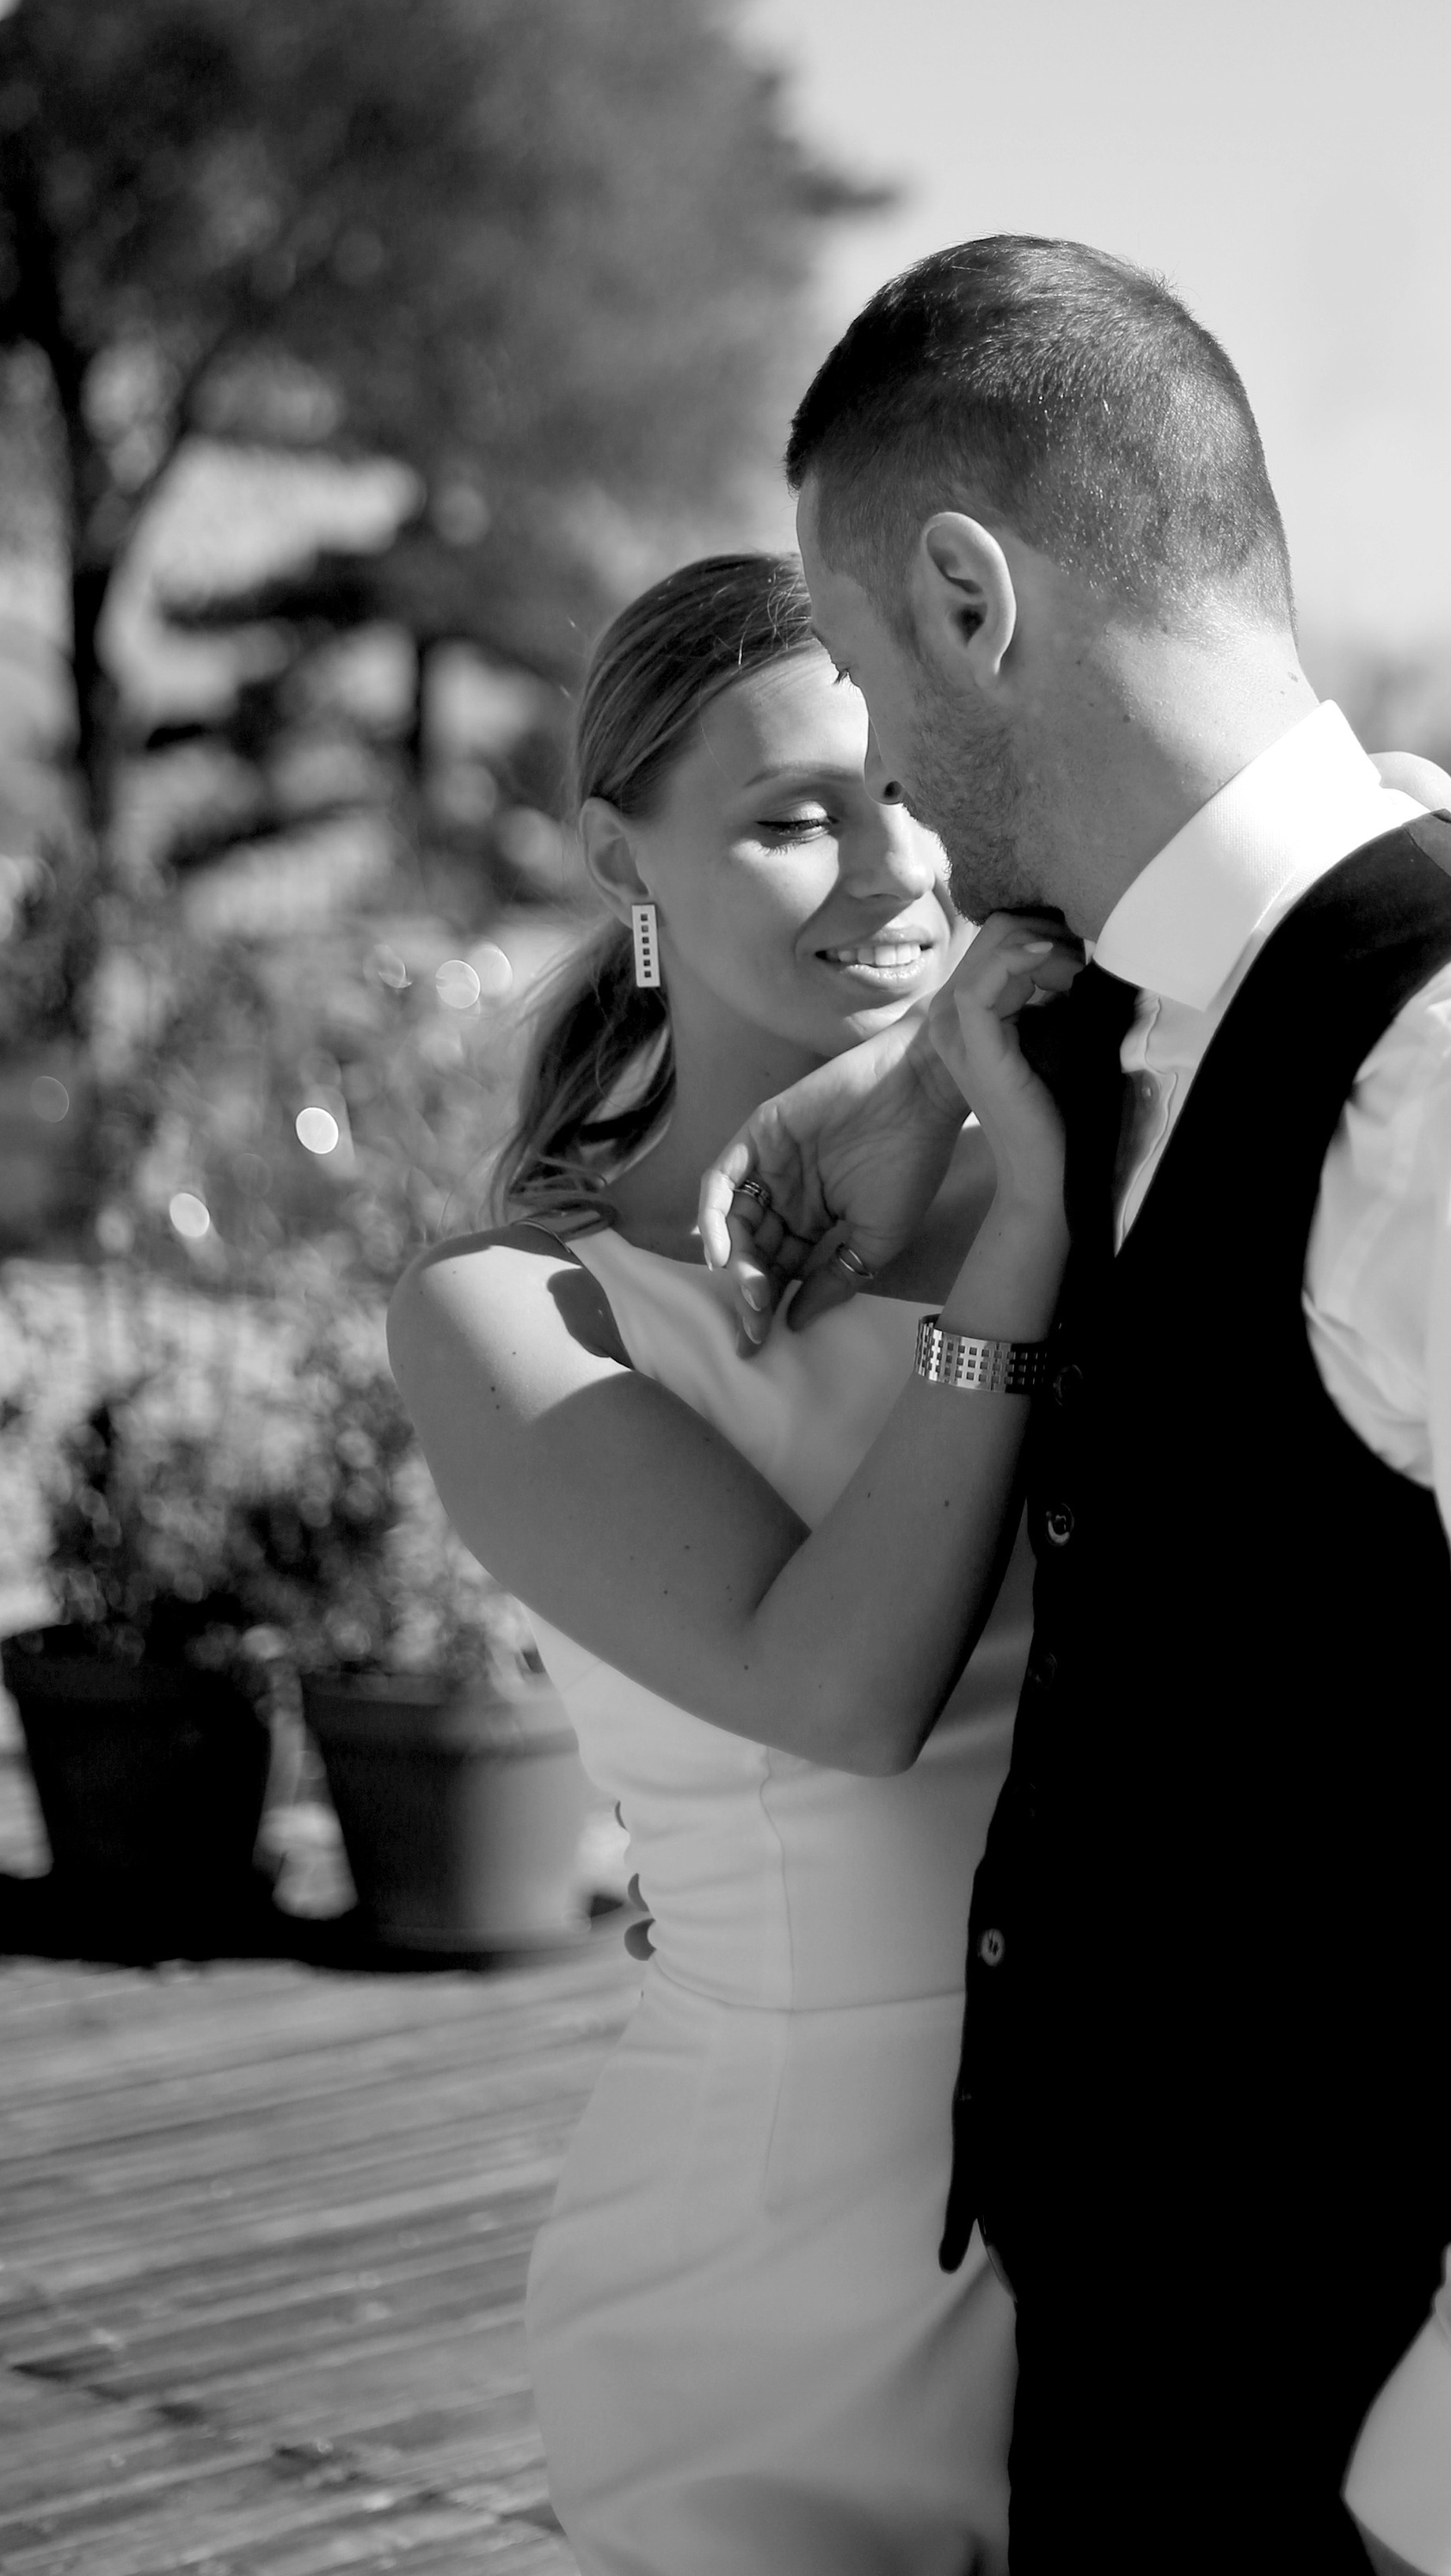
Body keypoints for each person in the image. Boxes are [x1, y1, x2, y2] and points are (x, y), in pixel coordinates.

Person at [697, 236, 1451, 2576]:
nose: (892, 794)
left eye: (867, 679)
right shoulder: (1142, 1029)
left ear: (970, 601)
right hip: (1148, 2421)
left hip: (1411, 2478)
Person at [387, 553, 1074, 2576]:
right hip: (790, 2274)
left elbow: (1369, 826)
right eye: (790, 820)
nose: (888, 872)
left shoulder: (1079, 1124)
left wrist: (938, 1082)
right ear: (624, 859)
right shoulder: (512, 1312)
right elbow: (833, 1692)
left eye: (911, 793)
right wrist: (1014, 1234)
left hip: (1156, 2214)